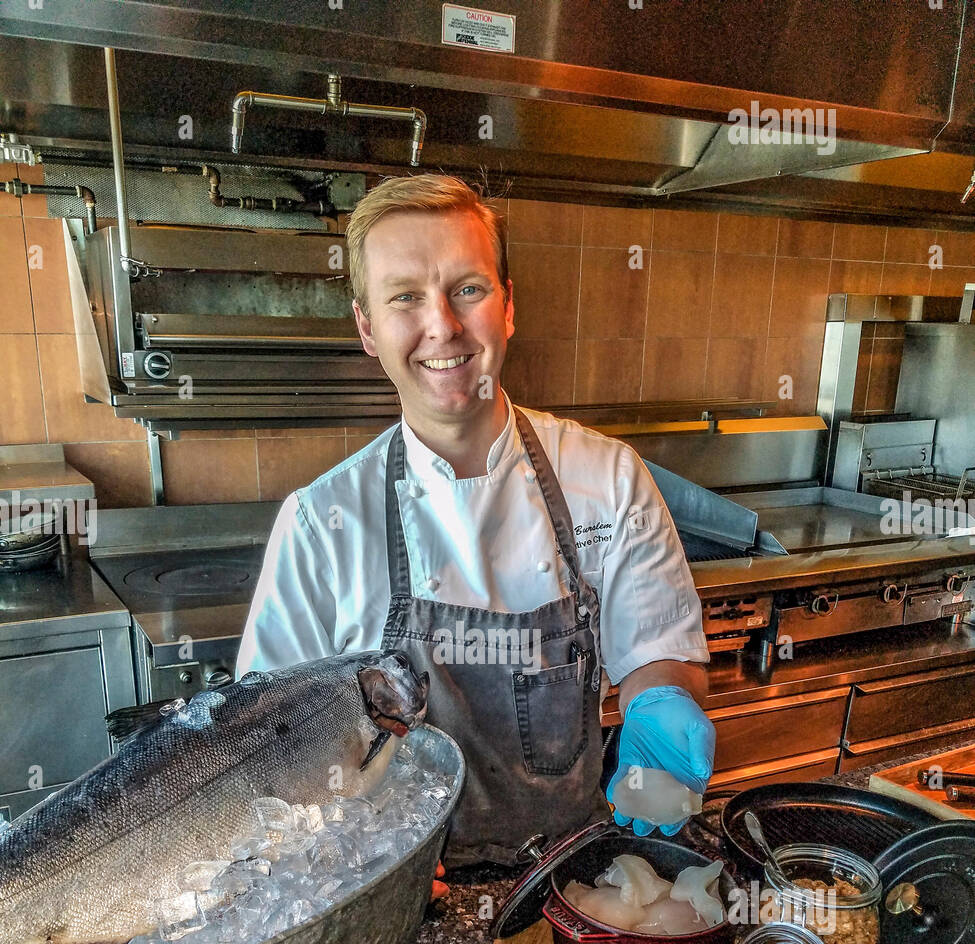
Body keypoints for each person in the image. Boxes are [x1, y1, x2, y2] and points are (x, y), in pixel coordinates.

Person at [237, 174, 714, 867]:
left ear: (508, 305)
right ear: (367, 327)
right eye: (405, 297)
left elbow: (655, 649)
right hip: (387, 896)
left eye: (468, 288)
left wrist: (660, 706)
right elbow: (269, 746)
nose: (443, 326)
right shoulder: (320, 523)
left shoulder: (608, 479)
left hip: (570, 877)